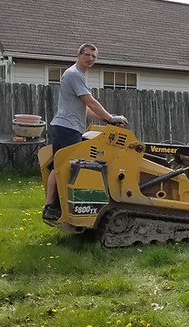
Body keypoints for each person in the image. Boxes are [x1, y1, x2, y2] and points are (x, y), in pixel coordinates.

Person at [42, 44, 127, 221]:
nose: (90, 59)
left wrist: (106, 119)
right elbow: (89, 101)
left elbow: (84, 109)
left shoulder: (75, 74)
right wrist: (111, 117)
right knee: (71, 169)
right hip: (68, 128)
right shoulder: (75, 74)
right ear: (79, 54)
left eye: (94, 56)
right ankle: (60, 208)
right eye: (87, 55)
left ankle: (50, 207)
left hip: (63, 126)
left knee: (58, 166)